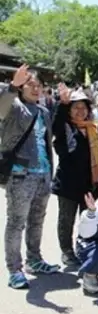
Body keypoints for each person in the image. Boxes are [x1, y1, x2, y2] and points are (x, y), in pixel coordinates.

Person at [1, 65, 60, 289]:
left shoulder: (43, 111)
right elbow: (1, 107)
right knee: (16, 222)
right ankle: (14, 269)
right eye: (31, 85)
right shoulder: (14, 107)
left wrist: (49, 172)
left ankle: (34, 259)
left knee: (37, 220)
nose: (36, 89)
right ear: (21, 87)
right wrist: (12, 86)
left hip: (42, 174)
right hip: (20, 175)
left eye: (39, 86)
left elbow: (46, 143)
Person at [51, 84, 98, 267]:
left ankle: (83, 248)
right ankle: (67, 251)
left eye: (84, 107)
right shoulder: (65, 129)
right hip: (68, 184)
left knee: (87, 219)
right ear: (69, 110)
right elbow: (56, 126)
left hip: (90, 184)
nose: (80, 111)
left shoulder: (94, 129)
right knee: (66, 220)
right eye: (76, 107)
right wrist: (62, 104)